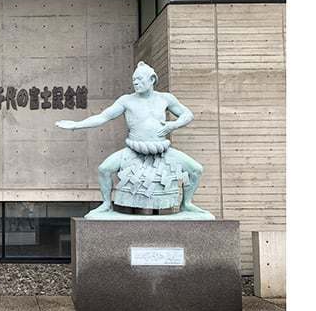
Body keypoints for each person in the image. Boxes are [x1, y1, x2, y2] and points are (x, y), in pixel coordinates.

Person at [56, 61, 209, 216]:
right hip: (134, 150)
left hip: (162, 151)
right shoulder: (126, 100)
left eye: (140, 79)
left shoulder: (165, 99)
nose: (136, 82)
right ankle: (106, 204)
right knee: (104, 169)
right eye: (134, 79)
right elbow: (103, 117)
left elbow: (187, 114)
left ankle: (187, 204)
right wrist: (76, 125)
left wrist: (173, 125)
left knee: (196, 170)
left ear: (152, 79)